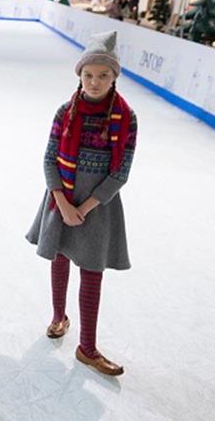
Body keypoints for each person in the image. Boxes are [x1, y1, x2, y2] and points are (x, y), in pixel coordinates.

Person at [26, 30, 137, 377]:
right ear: (79, 75)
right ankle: (59, 316)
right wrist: (62, 203)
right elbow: (48, 160)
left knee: (92, 270)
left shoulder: (125, 117)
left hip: (98, 206)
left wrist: (86, 207)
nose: (94, 81)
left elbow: (120, 172)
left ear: (114, 76)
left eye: (103, 75)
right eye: (88, 75)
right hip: (62, 197)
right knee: (59, 256)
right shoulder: (66, 111)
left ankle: (87, 347)